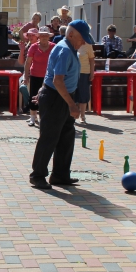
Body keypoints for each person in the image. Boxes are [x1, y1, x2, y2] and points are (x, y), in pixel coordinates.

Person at [29, 20, 94, 189]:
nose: (84, 43)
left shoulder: (70, 49)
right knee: (49, 137)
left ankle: (60, 175)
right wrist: (72, 105)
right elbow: (57, 81)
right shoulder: (65, 50)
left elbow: (51, 72)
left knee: (66, 136)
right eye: (82, 39)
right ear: (71, 34)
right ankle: (37, 175)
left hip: (62, 96)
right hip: (56, 97)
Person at [24, 27, 54, 127]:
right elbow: (28, 63)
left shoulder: (54, 46)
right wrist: (26, 76)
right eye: (42, 35)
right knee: (33, 95)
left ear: (49, 37)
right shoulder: (34, 47)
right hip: (35, 75)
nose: (44, 37)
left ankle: (45, 118)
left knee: (47, 96)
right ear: (39, 37)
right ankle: (33, 117)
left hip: (49, 77)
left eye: (46, 35)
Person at [75, 30, 96, 123]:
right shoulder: (72, 44)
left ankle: (82, 115)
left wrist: (92, 73)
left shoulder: (88, 45)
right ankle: (74, 114)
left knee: (83, 94)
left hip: (84, 72)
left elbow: (91, 60)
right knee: (73, 94)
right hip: (73, 73)